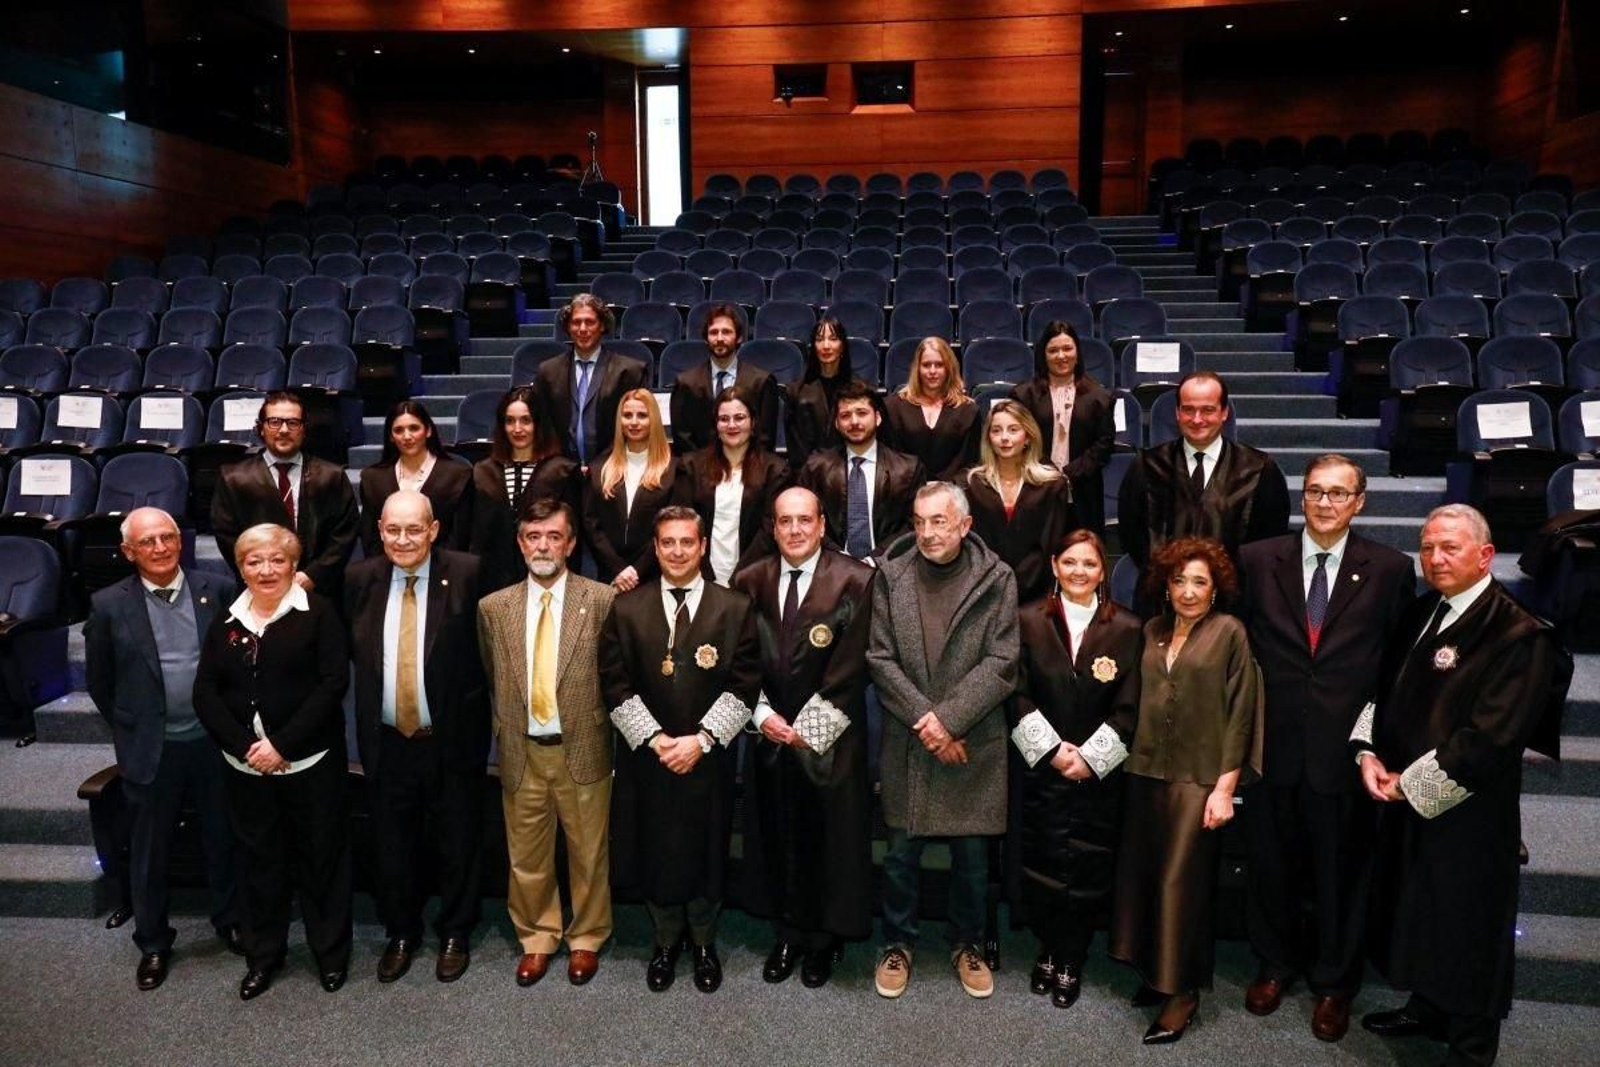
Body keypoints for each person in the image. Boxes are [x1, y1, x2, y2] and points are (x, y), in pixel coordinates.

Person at [1354, 505, 1570, 1067]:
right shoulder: (1424, 610)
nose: (1435, 558)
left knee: (1469, 923)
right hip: (1403, 793)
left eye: (1449, 547)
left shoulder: (1520, 632)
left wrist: (1408, 785)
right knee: (1422, 907)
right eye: (1427, 547)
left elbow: (1491, 738)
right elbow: (1384, 691)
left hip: (1469, 809)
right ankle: (1428, 1007)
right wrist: (1368, 753)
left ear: (1485, 555)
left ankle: (1472, 1045)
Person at [1235, 455, 1415, 1041]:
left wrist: (1375, 743)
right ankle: (1275, 963)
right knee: (1270, 863)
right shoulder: (1259, 560)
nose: (1326, 503)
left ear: (1360, 502)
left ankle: (1335, 982)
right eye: (1316, 492)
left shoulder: (1388, 569)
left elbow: (1394, 667)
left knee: (1342, 872)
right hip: (1272, 744)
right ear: (1301, 497)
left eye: (1339, 494)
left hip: (1344, 750)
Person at [866, 482, 1020, 1000]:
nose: (928, 533)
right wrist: (929, 725)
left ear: (964, 525)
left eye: (939, 521)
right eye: (920, 521)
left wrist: (949, 722)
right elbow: (880, 660)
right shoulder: (891, 576)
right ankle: (897, 944)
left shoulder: (998, 579)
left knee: (973, 862)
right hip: (911, 740)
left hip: (974, 740)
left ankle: (968, 944)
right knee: (900, 856)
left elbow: (1002, 664)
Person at [600, 506, 761, 993]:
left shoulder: (734, 608)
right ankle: (666, 940)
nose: (676, 551)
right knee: (656, 847)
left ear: (703, 545)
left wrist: (703, 740)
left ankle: (705, 941)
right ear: (655, 547)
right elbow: (613, 681)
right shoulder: (626, 608)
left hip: (706, 758)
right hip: (648, 758)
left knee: (706, 848)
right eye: (667, 543)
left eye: (686, 542)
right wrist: (654, 739)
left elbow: (745, 683)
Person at [1110, 536, 1263, 1044]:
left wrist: (1225, 789)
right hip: (1144, 773)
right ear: (1165, 586)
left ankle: (1184, 993)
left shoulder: (1230, 634)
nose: (1189, 591)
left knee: (1180, 885)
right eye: (1180, 581)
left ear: (1216, 588)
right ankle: (1157, 976)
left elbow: (1242, 715)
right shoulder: (1151, 631)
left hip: (1199, 780)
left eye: (1200, 581)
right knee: (1145, 879)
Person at [84, 507, 240, 991]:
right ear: (128, 551)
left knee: (223, 838)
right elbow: (101, 683)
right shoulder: (108, 604)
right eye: (147, 541)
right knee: (150, 852)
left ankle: (229, 920)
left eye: (167, 537)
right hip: (151, 748)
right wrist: (135, 726)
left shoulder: (217, 589)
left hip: (212, 742)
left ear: (181, 541)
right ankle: (153, 943)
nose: (159, 548)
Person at [193, 523, 351, 1001]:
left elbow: (331, 685)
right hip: (246, 770)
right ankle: (264, 956)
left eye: (276, 560)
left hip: (310, 765)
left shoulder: (318, 613)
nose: (266, 570)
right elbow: (206, 692)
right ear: (240, 567)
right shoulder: (227, 619)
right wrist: (247, 747)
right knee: (260, 865)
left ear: (293, 564)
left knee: (321, 861)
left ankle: (330, 954)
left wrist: (280, 745)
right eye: (254, 561)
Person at [731, 487, 875, 988]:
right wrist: (763, 716)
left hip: (830, 742)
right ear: (773, 527)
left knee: (828, 839)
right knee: (777, 834)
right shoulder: (749, 580)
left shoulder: (856, 580)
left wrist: (804, 733)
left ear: (821, 525)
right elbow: (739, 661)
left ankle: (822, 940)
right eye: (785, 520)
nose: (794, 530)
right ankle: (787, 933)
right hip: (769, 734)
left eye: (804, 521)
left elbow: (852, 665)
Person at [345, 490, 490, 985]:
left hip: (451, 738)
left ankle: (455, 931)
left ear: (433, 530)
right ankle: (400, 932)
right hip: (387, 740)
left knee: (458, 841)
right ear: (380, 530)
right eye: (392, 529)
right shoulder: (359, 579)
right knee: (392, 845)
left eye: (414, 529)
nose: (403, 539)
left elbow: (487, 651)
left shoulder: (469, 573)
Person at [478, 498, 617, 988]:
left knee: (589, 852)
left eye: (554, 536)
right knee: (527, 855)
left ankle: (587, 937)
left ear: (571, 543)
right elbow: (493, 676)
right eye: (534, 536)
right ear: (520, 543)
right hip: (522, 750)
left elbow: (615, 676)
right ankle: (537, 937)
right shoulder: (493, 608)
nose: (543, 545)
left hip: (583, 746)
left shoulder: (601, 600)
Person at [1009, 529, 1142, 1010]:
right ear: (1054, 566)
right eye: (1070, 563)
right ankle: (1048, 945)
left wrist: (1089, 758)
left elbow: (1131, 705)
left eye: (1088, 564)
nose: (1078, 572)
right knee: (1041, 860)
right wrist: (1052, 752)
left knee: (1086, 865)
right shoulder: (1027, 620)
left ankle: (1072, 955)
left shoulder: (1128, 628)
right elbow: (1016, 692)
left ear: (1102, 570)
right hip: (1043, 770)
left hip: (1096, 775)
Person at [1116, 371, 1290, 576]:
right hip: (1161, 596)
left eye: (1207, 410)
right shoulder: (1147, 466)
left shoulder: (1259, 469)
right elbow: (1131, 534)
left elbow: (1269, 541)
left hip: (1235, 600)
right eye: (1188, 410)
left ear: (1224, 412)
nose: (1197, 419)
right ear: (1177, 413)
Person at [210, 390, 359, 604]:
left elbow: (344, 535)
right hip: (260, 590)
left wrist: (312, 576)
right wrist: (265, 574)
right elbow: (228, 537)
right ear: (261, 428)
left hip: (321, 592)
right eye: (274, 422)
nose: (283, 430)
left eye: (293, 423)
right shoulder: (233, 478)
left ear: (304, 430)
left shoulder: (331, 476)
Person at [798, 378, 925, 564]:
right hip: (829, 567)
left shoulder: (908, 469)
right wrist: (839, 558)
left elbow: (914, 524)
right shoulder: (816, 468)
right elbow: (806, 519)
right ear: (836, 423)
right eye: (845, 415)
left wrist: (876, 559)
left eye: (862, 413)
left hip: (891, 566)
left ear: (878, 417)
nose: (854, 421)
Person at [963, 399, 1076, 602]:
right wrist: (995, 581)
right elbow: (972, 545)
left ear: (1027, 437)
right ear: (988, 438)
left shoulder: (1052, 486)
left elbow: (1049, 546)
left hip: (1037, 594)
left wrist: (1018, 585)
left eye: (1013, 430)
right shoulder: (972, 485)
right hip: (984, 591)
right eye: (996, 431)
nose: (1004, 438)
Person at [469, 385, 581, 590]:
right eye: (510, 421)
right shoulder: (482, 471)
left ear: (538, 424)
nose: (517, 429)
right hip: (492, 583)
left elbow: (574, 537)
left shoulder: (562, 471)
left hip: (549, 580)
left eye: (525, 420)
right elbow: (475, 536)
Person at [1009, 321, 1116, 534]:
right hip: (1035, 486)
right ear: (1043, 355)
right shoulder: (1023, 395)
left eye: (1067, 348)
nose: (1061, 356)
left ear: (1077, 353)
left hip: (1084, 491)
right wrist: (1047, 471)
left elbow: (1104, 444)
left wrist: (1070, 473)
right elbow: (1021, 439)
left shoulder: (1100, 397)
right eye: (1053, 350)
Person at [681, 386, 789, 585]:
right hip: (699, 574)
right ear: (716, 424)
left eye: (739, 418)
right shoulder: (691, 466)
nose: (732, 425)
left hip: (754, 575)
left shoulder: (775, 470)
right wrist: (706, 574)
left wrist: (740, 576)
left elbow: (769, 529)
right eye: (724, 419)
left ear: (753, 422)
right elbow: (685, 523)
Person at [582, 389, 687, 591]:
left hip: (655, 577)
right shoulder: (599, 469)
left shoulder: (674, 470)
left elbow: (670, 527)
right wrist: (618, 569)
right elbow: (591, 525)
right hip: (609, 577)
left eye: (642, 415)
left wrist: (637, 571)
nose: (634, 422)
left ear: (654, 420)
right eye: (627, 415)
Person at [533, 293, 650, 467]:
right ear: (568, 327)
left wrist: (602, 466)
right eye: (576, 322)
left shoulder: (630, 371)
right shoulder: (548, 372)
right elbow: (542, 425)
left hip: (614, 469)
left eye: (590, 322)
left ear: (602, 325)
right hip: (562, 473)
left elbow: (637, 427)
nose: (582, 328)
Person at [357, 400, 473, 557]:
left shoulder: (458, 475)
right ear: (391, 436)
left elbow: (460, 537)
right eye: (398, 430)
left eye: (414, 428)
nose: (406, 436)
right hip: (387, 571)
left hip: (443, 570)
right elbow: (371, 538)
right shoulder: (373, 478)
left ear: (428, 431)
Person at [670, 302, 781, 454]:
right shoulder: (685, 383)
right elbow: (683, 438)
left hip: (750, 470)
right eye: (714, 332)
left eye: (726, 332)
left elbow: (765, 439)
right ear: (706, 338)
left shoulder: (761, 382)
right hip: (698, 471)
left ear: (739, 337)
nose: (720, 338)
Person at [883, 336, 980, 483]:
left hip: (954, 493)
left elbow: (969, 461)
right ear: (917, 368)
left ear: (949, 368)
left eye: (939, 365)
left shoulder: (968, 410)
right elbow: (891, 458)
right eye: (926, 365)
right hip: (905, 492)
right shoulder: (893, 407)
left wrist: (944, 489)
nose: (932, 371)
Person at [783, 316, 856, 470]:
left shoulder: (860, 391)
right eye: (819, 340)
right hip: (808, 475)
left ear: (842, 346)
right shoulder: (796, 392)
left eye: (833, 339)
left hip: (849, 472)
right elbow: (796, 447)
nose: (826, 346)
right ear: (813, 346)